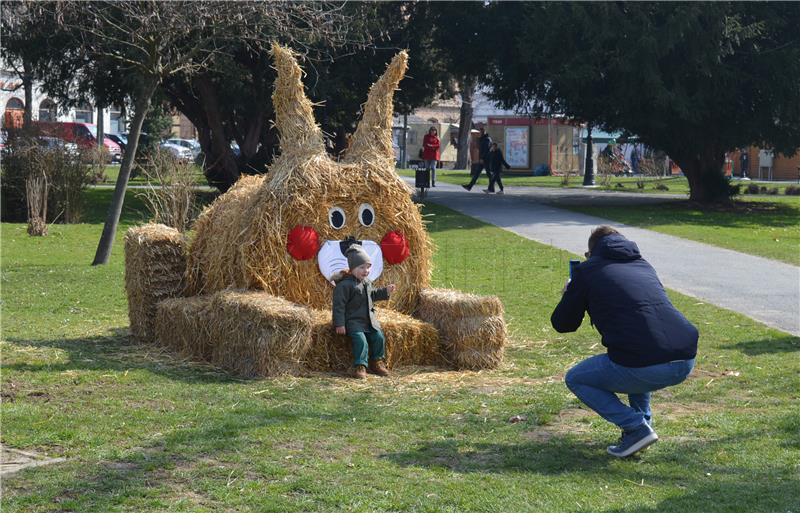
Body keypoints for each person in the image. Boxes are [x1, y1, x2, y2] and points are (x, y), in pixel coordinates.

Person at [551, 226, 698, 458]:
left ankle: (636, 427)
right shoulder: (644, 265)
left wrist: (570, 292)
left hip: (646, 362)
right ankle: (642, 428)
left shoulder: (587, 271)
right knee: (636, 352)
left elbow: (563, 324)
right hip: (686, 358)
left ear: (591, 253)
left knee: (577, 378)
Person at [332, 245, 396, 379]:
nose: (366, 271)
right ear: (352, 268)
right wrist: (340, 324)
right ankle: (360, 365)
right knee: (361, 341)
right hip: (353, 321)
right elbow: (339, 306)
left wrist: (385, 291)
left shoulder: (366, 282)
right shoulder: (344, 285)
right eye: (361, 267)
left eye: (368, 267)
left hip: (368, 320)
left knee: (378, 336)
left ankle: (377, 362)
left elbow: (372, 295)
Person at [462, 125, 493, 191]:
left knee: (489, 174)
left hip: (486, 159)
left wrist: (482, 158)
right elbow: (480, 148)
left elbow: (486, 150)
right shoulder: (482, 139)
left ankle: (491, 188)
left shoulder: (487, 139)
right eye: (480, 131)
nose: (480, 133)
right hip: (482, 159)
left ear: (484, 132)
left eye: (481, 131)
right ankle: (469, 186)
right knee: (477, 173)